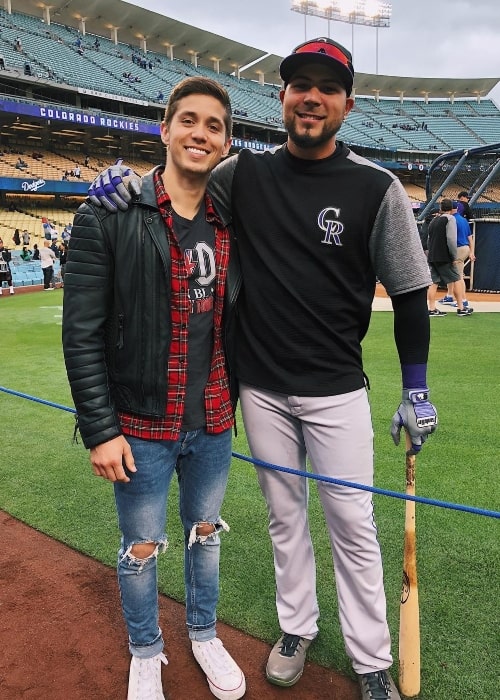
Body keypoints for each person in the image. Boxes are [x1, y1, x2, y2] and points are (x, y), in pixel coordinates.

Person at [89, 38, 438, 700]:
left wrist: (416, 388)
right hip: (261, 390)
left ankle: (370, 659)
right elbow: (179, 186)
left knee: (353, 526)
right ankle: (297, 628)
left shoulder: (376, 187)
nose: (311, 96)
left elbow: (413, 294)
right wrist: (128, 183)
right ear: (281, 99)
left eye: (326, 87)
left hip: (338, 390)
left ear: (346, 104)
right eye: (298, 84)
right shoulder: (241, 174)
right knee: (285, 517)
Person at [62, 77, 245, 700]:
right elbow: (81, 333)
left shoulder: (232, 222)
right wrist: (100, 429)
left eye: (214, 125)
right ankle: (146, 649)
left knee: (206, 534)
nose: (200, 133)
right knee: (140, 547)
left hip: (214, 418)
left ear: (226, 142)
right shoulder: (109, 213)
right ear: (164, 130)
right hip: (140, 422)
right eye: (188, 120)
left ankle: (202, 633)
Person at [427, 198, 472, 317]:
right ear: (452, 208)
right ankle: (461, 308)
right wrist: (453, 256)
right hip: (444, 256)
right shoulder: (450, 219)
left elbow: (429, 239)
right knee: (456, 278)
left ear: (441, 208)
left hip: (432, 255)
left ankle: (431, 309)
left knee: (433, 282)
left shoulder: (434, 220)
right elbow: (451, 239)